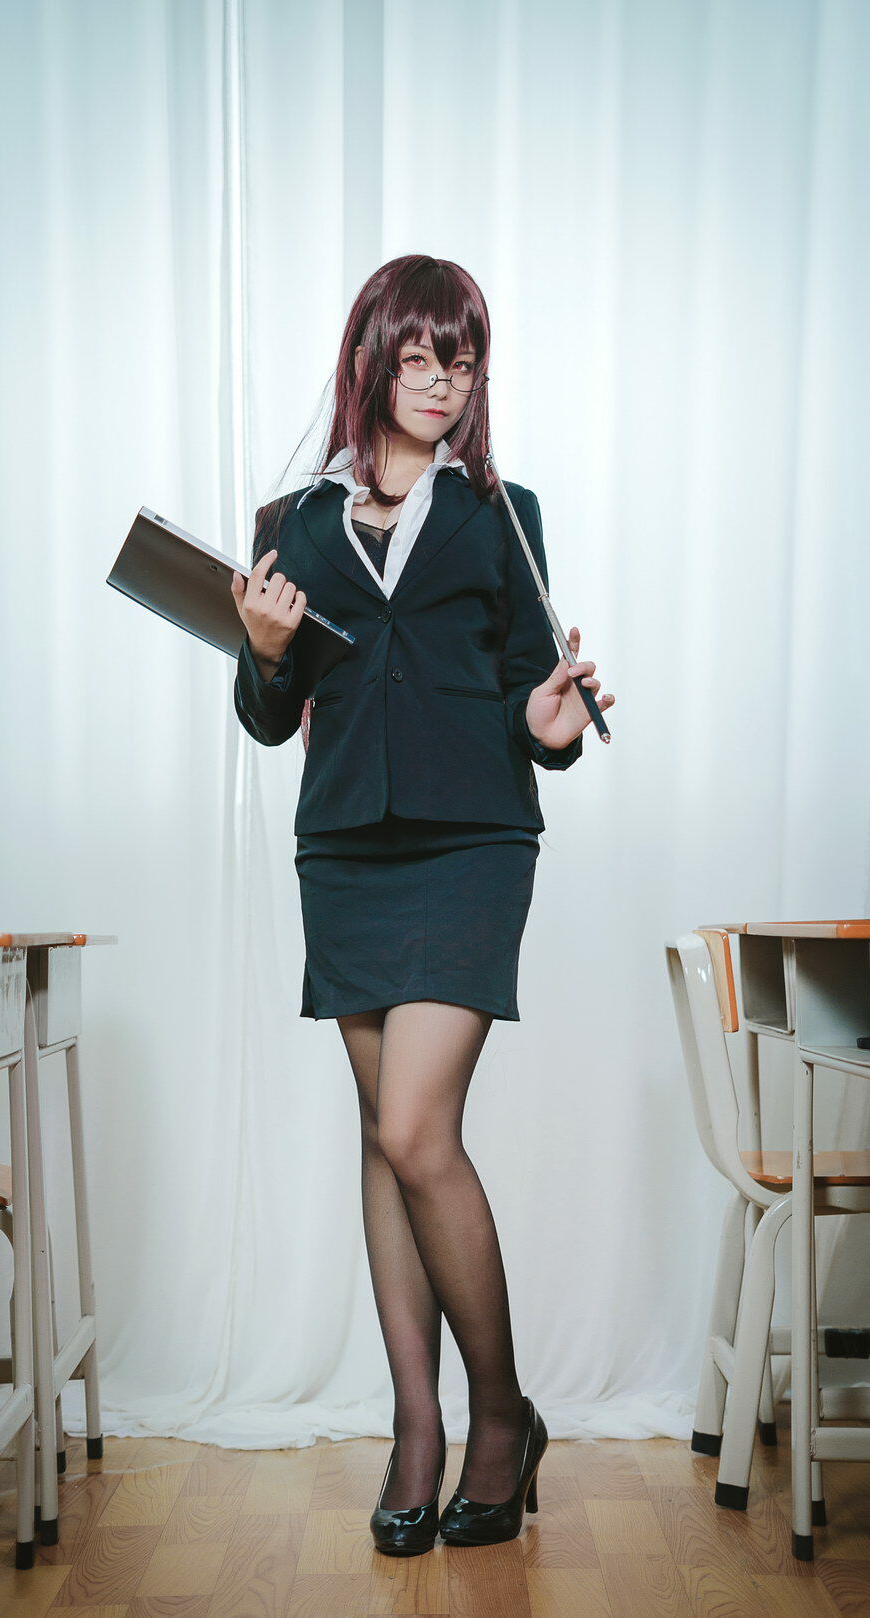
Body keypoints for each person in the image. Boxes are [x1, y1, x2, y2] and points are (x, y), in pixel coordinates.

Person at [231, 254, 615, 1556]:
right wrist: (264, 654)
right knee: (381, 1136)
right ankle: (417, 1426)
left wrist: (548, 727)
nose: (444, 382)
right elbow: (269, 715)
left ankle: (501, 1419)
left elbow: (532, 695)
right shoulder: (290, 522)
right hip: (345, 848)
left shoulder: (505, 514)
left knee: (414, 1125)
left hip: (471, 845)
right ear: (372, 359)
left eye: (463, 360)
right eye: (420, 357)